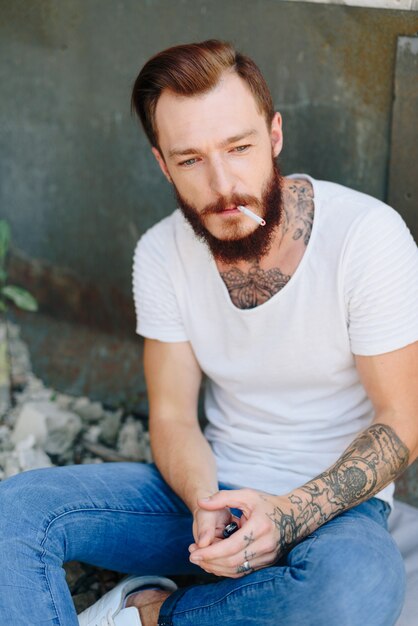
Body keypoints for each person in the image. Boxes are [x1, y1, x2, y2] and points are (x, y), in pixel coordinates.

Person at [0, 39, 417, 626]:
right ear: (162, 164)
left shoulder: (367, 237)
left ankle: (147, 615)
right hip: (209, 489)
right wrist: (204, 500)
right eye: (191, 159)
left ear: (274, 136)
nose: (223, 185)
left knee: (356, 592)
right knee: (14, 514)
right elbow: (172, 416)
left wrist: (289, 515)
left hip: (333, 510)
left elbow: (402, 420)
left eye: (239, 148)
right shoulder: (160, 251)